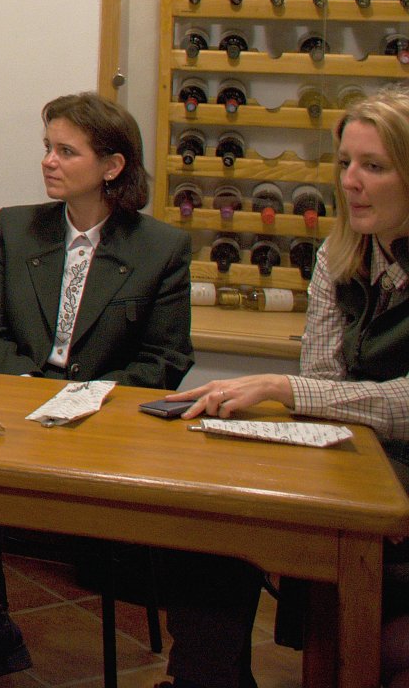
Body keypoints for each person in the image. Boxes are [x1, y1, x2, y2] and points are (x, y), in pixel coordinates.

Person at [0, 92, 193, 685]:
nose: (48, 161)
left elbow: (166, 359)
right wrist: (28, 387)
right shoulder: (18, 226)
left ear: (112, 166)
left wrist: (83, 398)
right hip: (20, 402)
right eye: (47, 147)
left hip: (103, 419)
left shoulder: (160, 247)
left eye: (66, 151)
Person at [163, 86, 409, 688]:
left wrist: (283, 388)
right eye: (345, 163)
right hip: (358, 458)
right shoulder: (339, 255)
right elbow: (323, 378)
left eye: (374, 166)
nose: (350, 182)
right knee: (213, 503)